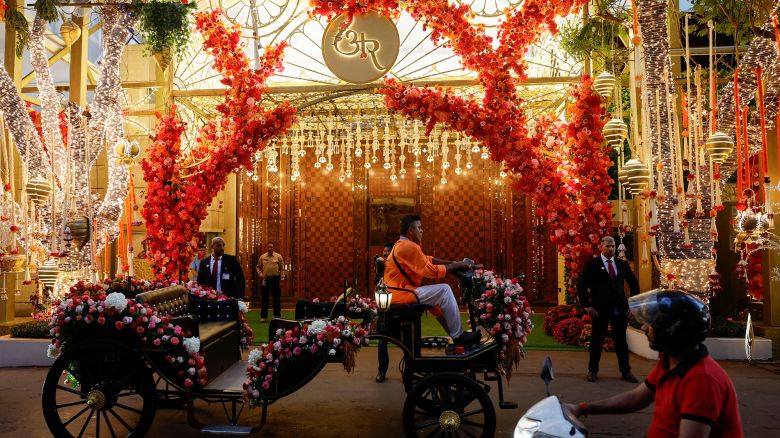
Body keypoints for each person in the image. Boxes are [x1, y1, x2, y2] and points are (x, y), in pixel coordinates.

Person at [565, 289, 743, 438]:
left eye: (652, 323)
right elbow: (637, 398)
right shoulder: (671, 360)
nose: (644, 328)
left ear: (671, 330)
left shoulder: (702, 379)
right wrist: (581, 408)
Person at [383, 214, 480, 348]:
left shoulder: (404, 244)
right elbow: (432, 271)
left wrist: (454, 263)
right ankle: (459, 336)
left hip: (401, 291)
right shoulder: (408, 247)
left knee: (438, 303)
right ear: (411, 230)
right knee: (444, 290)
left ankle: (456, 336)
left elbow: (428, 259)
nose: (422, 230)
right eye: (420, 227)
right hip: (402, 294)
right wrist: (458, 266)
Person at [577, 236, 640, 383]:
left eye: (613, 246)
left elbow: (634, 284)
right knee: (597, 340)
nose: (611, 248)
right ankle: (592, 371)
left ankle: (626, 371)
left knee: (621, 341)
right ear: (601, 247)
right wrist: (587, 305)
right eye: (608, 246)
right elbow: (581, 286)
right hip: (599, 309)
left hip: (620, 309)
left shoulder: (622, 264)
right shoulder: (591, 265)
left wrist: (633, 305)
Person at [374, 242, 394, 383]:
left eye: (388, 251)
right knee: (382, 343)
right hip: (384, 311)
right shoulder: (381, 265)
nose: (385, 253)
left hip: (398, 308)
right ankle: (382, 371)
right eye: (384, 251)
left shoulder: (397, 266)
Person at [256, 242, 284, 322]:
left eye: (271, 247)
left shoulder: (278, 256)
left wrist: (281, 279)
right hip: (266, 280)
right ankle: (263, 317)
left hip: (276, 279)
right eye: (268, 247)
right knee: (264, 298)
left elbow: (282, 269)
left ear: (273, 248)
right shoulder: (262, 257)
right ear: (266, 248)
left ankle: (277, 316)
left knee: (276, 298)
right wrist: (261, 275)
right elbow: (258, 267)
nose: (269, 248)